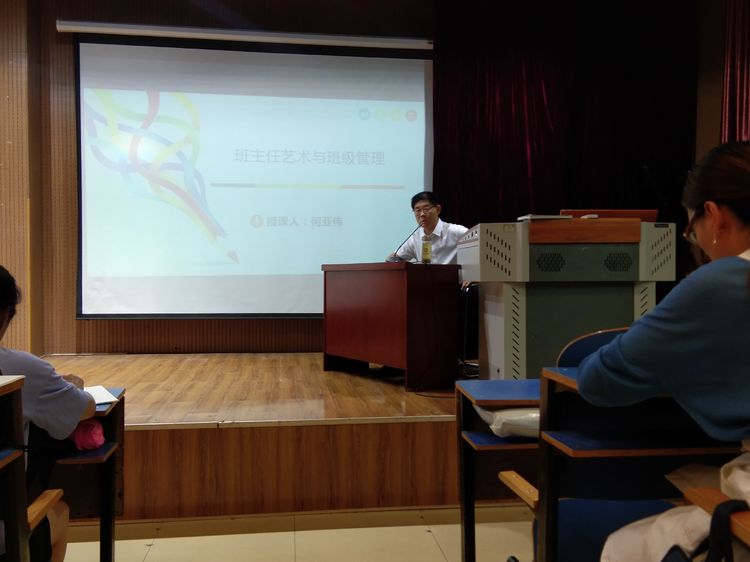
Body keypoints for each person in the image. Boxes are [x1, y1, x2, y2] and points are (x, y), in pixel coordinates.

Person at [575, 141, 750, 561]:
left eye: (692, 230)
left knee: (621, 546)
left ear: (714, 216)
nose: (698, 243)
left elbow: (597, 380)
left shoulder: (721, 282)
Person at [0, 265, 96, 562]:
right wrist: (72, 386)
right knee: (59, 510)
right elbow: (86, 408)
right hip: (4, 534)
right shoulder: (22, 369)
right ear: (6, 315)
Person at [388, 191, 469, 264]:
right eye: (418, 210)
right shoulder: (415, 237)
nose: (422, 214)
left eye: (426, 209)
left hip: (452, 276)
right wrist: (410, 267)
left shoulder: (456, 231)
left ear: (438, 209)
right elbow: (391, 258)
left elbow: (477, 248)